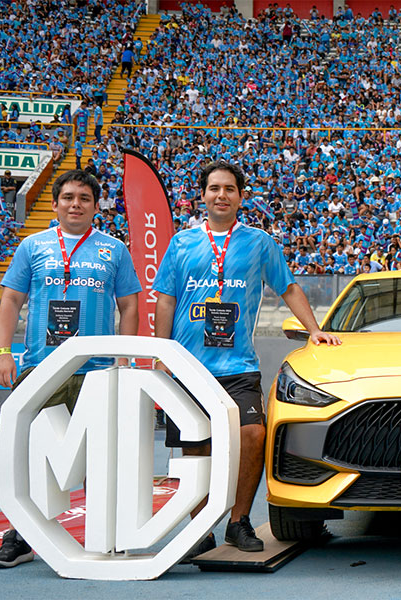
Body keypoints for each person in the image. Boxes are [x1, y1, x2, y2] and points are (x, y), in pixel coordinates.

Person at [153, 161, 341, 559]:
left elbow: (287, 287)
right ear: (202, 195)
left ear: (241, 196)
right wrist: (161, 354)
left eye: (229, 189)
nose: (221, 195)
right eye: (214, 188)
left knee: (253, 436)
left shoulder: (259, 242)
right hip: (188, 364)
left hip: (237, 366)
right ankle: (200, 529)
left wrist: (314, 328)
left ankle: (238, 522)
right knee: (196, 447)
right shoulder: (181, 243)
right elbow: (166, 300)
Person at [0, 169, 140, 569]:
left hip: (97, 370)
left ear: (95, 206)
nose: (76, 204)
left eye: (85, 198)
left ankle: (105, 532)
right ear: (54, 204)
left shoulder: (114, 250)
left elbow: (129, 306)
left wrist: (123, 359)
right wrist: (3, 351)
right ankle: (21, 534)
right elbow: (10, 302)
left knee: (100, 455)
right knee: (31, 456)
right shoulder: (32, 246)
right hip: (42, 367)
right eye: (69, 197)